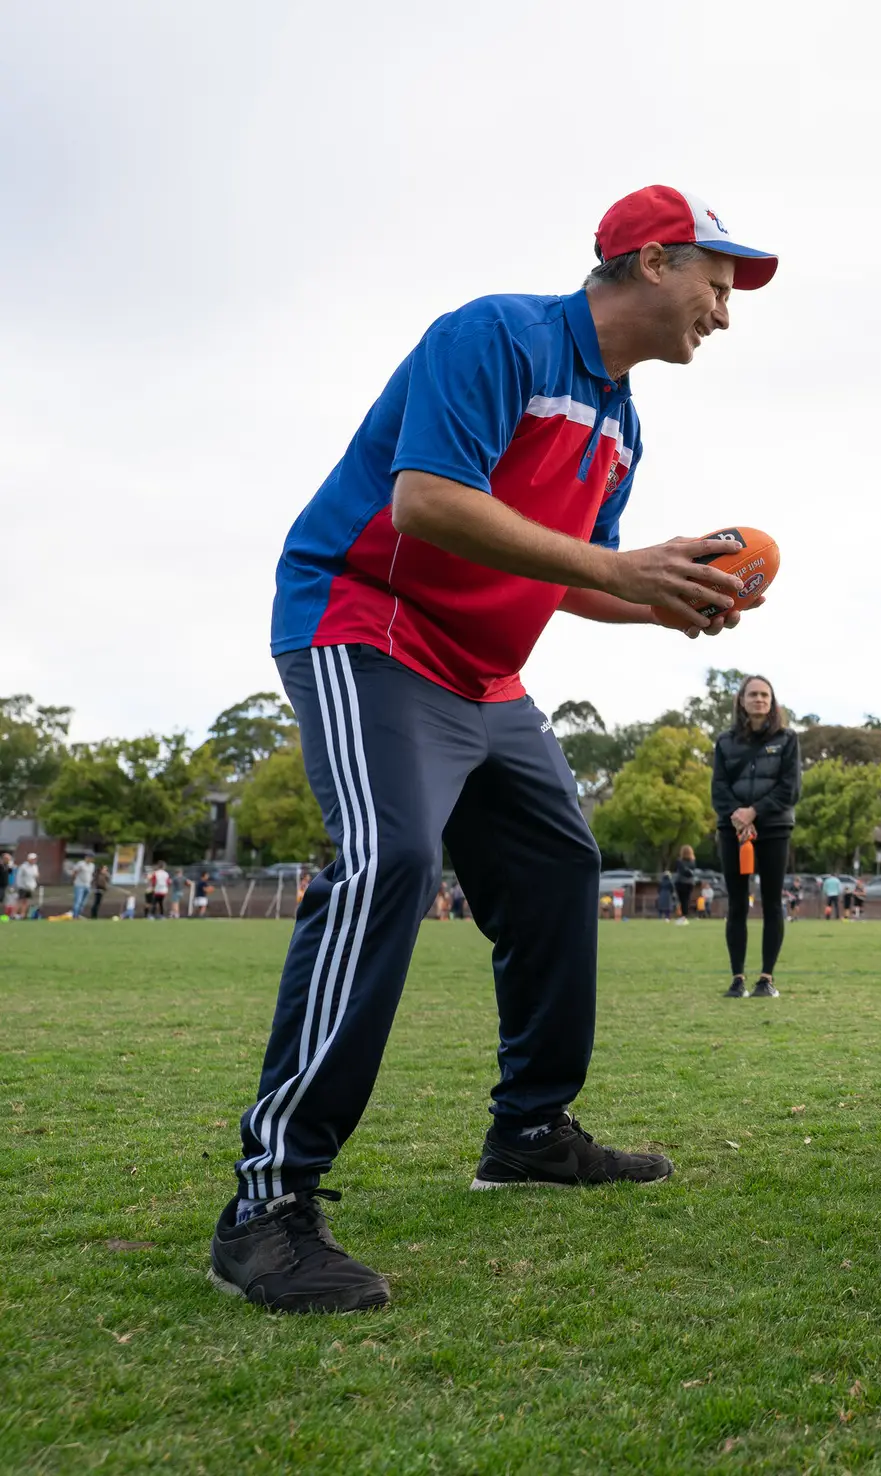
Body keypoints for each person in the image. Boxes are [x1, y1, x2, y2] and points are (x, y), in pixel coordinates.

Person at [209, 184, 777, 1314]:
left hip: (485, 672)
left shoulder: (623, 423)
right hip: (367, 624)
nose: (724, 309)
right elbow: (426, 503)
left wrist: (663, 598)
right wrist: (622, 569)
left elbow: (570, 571)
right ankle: (267, 1205)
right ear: (652, 261)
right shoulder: (497, 336)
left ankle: (528, 1133)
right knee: (390, 861)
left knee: (560, 865)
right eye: (716, 283)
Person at [711, 676, 801, 998]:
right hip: (733, 830)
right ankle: (737, 979)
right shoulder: (725, 741)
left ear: (772, 701)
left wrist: (754, 812)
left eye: (765, 694)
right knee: (737, 904)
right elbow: (719, 787)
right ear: (742, 700)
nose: (759, 699)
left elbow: (790, 788)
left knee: (772, 903)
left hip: (774, 828)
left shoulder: (787, 739)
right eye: (753, 694)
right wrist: (737, 816)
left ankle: (766, 979)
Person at [672, 846, 698, 926]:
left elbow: (679, 870)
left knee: (681, 900)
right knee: (686, 900)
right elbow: (692, 871)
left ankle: (682, 917)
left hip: (680, 882)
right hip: (690, 883)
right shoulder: (693, 861)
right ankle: (684, 917)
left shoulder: (679, 861)